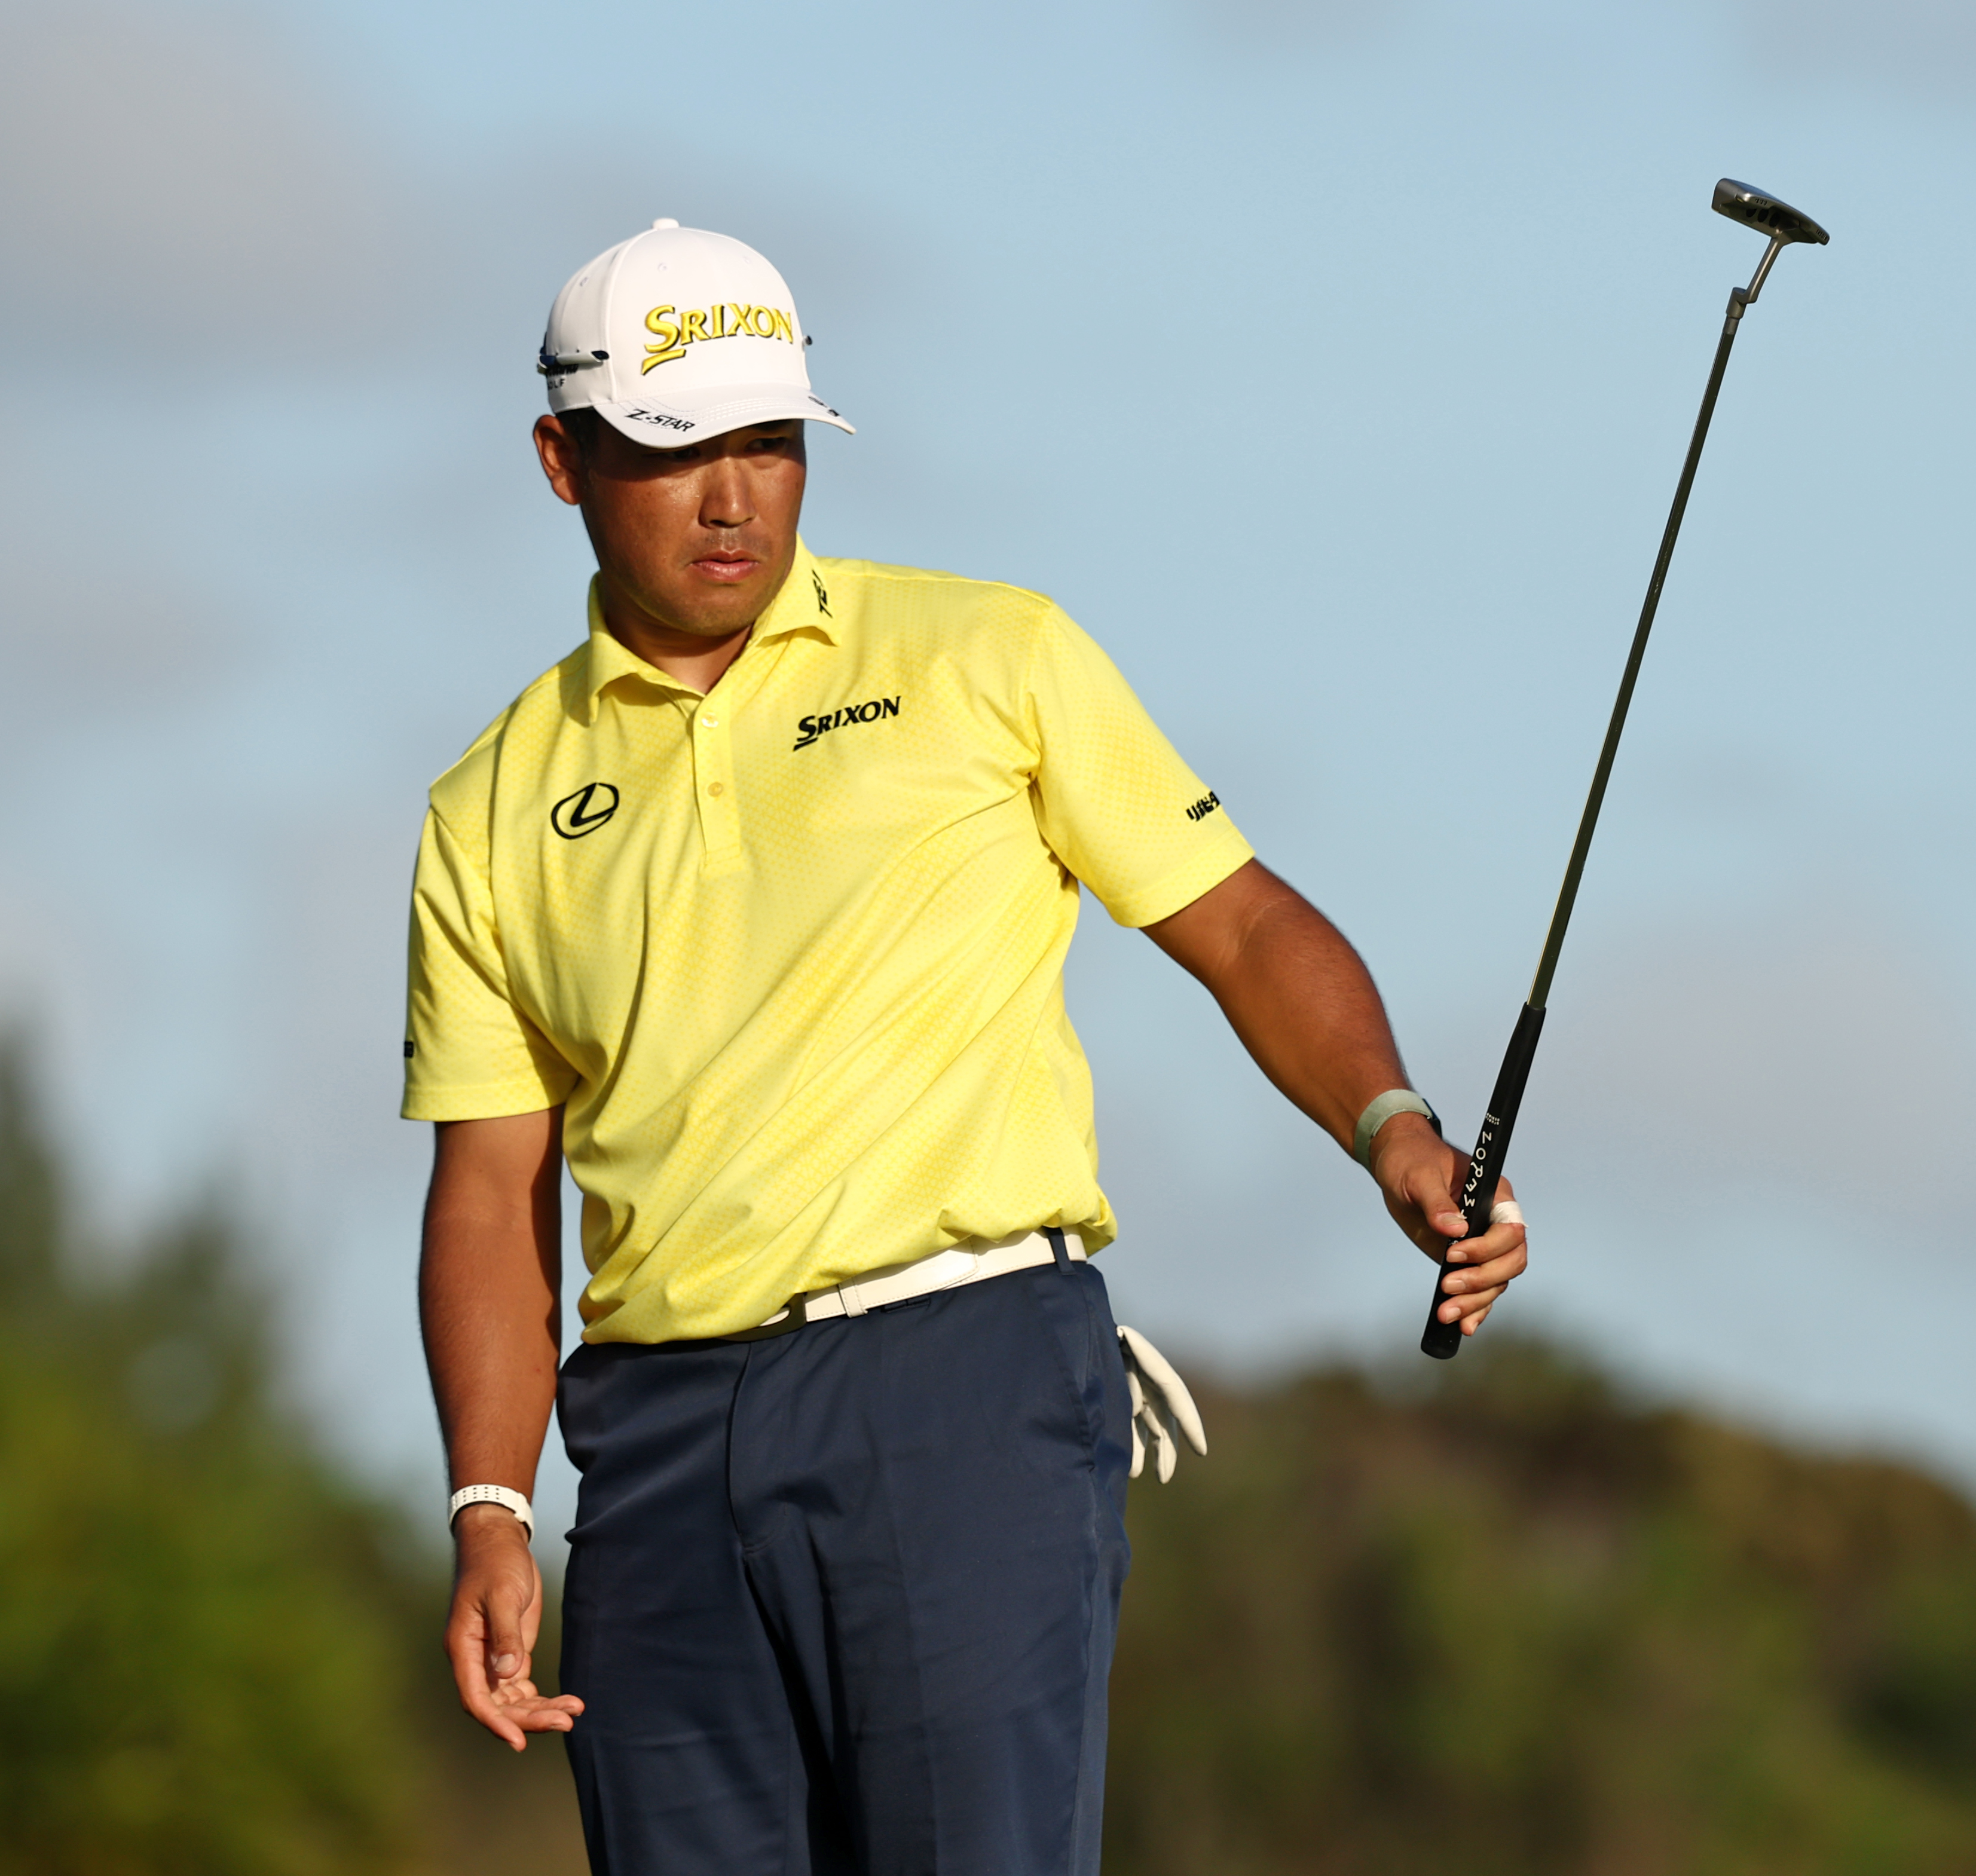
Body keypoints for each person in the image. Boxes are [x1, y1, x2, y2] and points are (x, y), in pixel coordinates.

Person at [405, 219, 1528, 1876]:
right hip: (652, 1447)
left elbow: (1244, 924)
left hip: (958, 1383)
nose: (735, 497)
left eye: (770, 443)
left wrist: (1394, 1124)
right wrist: (490, 1506)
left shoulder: (990, 657)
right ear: (563, 461)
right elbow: (492, 1190)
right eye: (676, 449)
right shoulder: (490, 804)